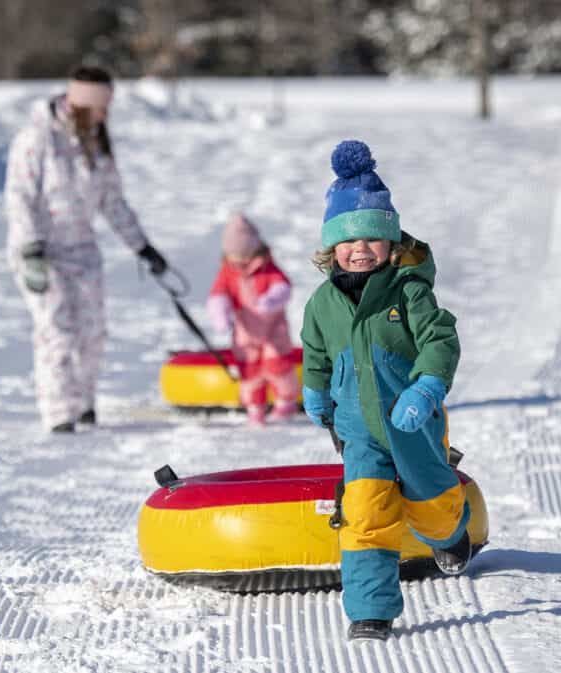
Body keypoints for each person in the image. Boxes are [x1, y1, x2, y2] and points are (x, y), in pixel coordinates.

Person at [300, 140, 472, 641]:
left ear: (392, 244)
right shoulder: (321, 303)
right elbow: (315, 351)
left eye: (373, 239)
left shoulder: (410, 291)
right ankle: (370, 611)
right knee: (365, 513)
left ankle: (452, 536)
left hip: (412, 423)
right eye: (349, 242)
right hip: (360, 433)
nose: (360, 249)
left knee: (432, 507)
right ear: (332, 248)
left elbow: (440, 340)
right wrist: (315, 392)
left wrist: (427, 387)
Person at [4, 65, 168, 433]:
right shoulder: (37, 139)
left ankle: (83, 403)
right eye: (100, 107)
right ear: (80, 104)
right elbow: (20, 198)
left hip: (82, 249)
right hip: (41, 252)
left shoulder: (95, 141)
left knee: (92, 331)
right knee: (56, 329)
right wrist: (31, 250)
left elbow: (113, 202)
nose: (105, 114)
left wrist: (142, 247)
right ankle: (59, 413)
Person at [207, 213, 300, 426]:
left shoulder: (267, 266)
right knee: (249, 372)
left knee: (279, 366)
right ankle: (255, 409)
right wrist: (220, 313)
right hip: (245, 333)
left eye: (243, 257)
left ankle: (286, 403)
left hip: (273, 331)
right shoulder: (228, 271)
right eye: (234, 257)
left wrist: (272, 299)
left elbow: (282, 286)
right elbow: (218, 294)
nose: (239, 262)